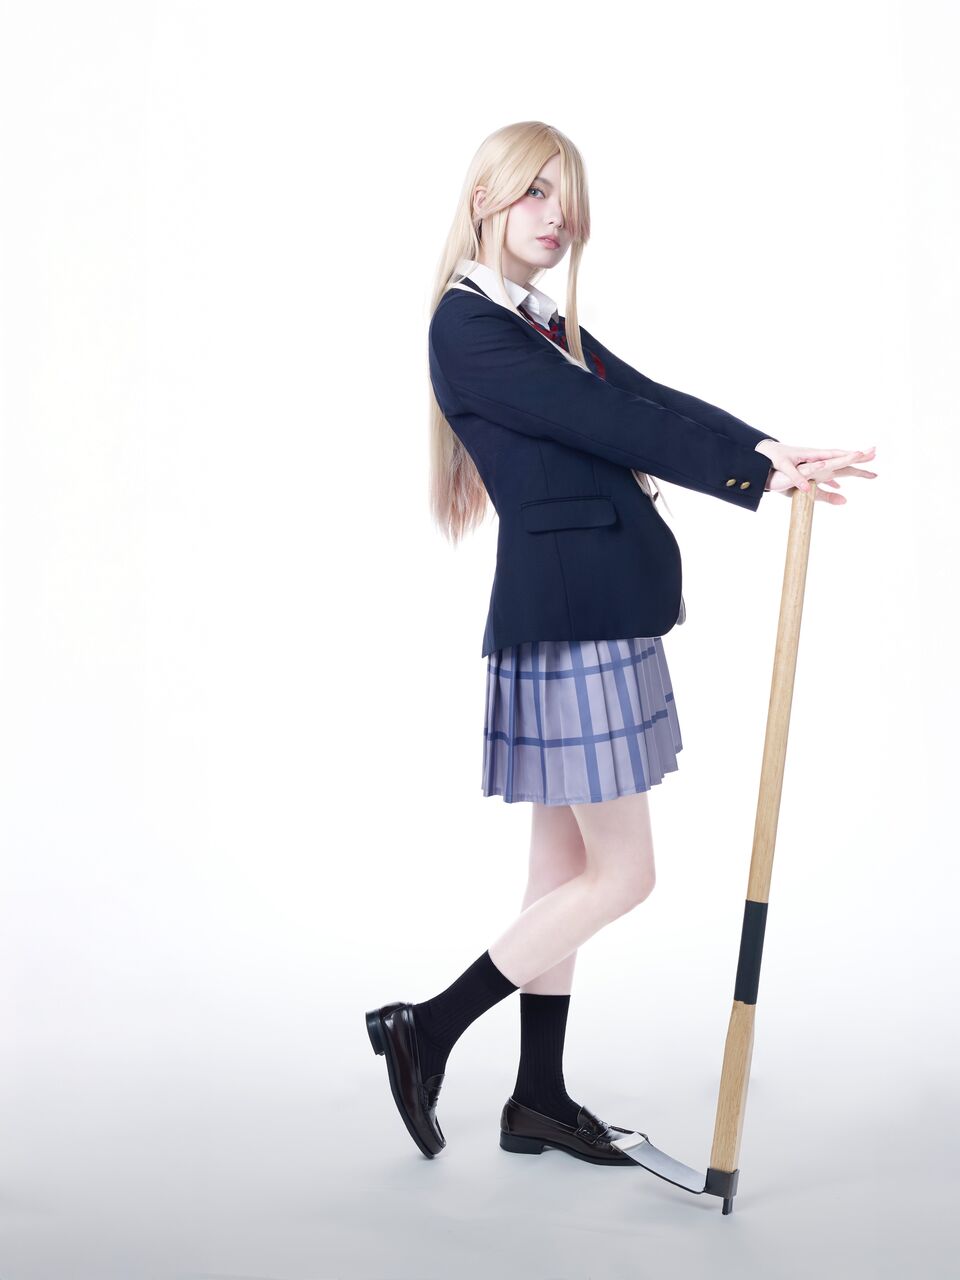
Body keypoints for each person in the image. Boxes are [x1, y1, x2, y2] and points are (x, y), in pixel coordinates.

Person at [365, 121, 877, 1165]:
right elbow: (609, 424)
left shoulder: (535, 322)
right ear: (484, 198)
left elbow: (642, 397)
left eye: (569, 198)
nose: (558, 216)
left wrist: (765, 447)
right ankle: (428, 1027)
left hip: (590, 608)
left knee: (561, 870)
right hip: (574, 619)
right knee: (625, 875)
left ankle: (537, 1098)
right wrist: (749, 479)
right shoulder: (468, 328)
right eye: (535, 192)